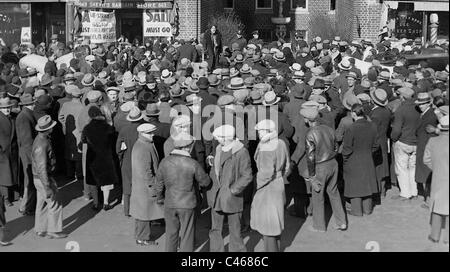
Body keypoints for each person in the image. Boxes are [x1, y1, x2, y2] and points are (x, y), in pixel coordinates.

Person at [155, 132, 211, 252]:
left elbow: (159, 184)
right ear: (188, 147)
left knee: (171, 234)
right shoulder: (192, 163)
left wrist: (160, 198)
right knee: (187, 234)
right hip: (187, 204)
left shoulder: (164, 162)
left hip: (169, 202)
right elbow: (205, 182)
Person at [207, 125, 252, 252]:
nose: (217, 140)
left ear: (226, 138)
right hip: (216, 195)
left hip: (232, 197)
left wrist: (233, 190)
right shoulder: (218, 148)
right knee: (215, 230)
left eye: (219, 138)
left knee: (235, 230)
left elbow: (247, 175)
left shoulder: (241, 152)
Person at [300, 107, 346, 232]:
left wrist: (312, 175)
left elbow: (310, 157)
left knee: (318, 196)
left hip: (319, 167)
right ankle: (341, 222)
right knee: (334, 192)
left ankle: (319, 226)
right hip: (333, 164)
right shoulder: (329, 129)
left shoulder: (310, 133)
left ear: (307, 120)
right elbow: (336, 147)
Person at [251, 119, 290, 251]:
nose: (258, 134)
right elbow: (287, 166)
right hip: (278, 183)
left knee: (268, 225)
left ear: (267, 132)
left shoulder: (266, 148)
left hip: (267, 187)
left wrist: (257, 185)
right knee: (275, 222)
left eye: (260, 131)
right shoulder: (281, 143)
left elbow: (266, 173)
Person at [32, 115, 67, 239]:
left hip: (38, 178)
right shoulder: (43, 144)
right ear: (48, 129)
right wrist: (47, 186)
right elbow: (42, 168)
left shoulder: (40, 139)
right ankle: (53, 230)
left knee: (41, 203)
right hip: (44, 178)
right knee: (54, 203)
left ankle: (40, 229)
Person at [130, 123, 164, 246]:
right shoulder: (144, 147)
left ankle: (140, 236)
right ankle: (143, 238)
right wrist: (154, 187)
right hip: (145, 187)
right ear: (142, 133)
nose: (152, 134)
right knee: (144, 214)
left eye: (152, 132)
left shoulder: (142, 144)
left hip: (140, 186)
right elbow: (147, 172)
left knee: (141, 213)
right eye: (149, 133)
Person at [343, 104, 379, 216]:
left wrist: (345, 158)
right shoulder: (373, 126)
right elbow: (376, 145)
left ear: (353, 113)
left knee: (355, 186)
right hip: (368, 158)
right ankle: (367, 209)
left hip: (353, 159)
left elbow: (347, 148)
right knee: (367, 184)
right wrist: (368, 152)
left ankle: (356, 211)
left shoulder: (351, 128)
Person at [81, 106, 119, 211]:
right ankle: (106, 203)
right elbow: (113, 140)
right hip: (105, 156)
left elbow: (83, 141)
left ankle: (96, 203)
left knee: (93, 181)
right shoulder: (107, 127)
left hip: (92, 157)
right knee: (106, 181)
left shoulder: (87, 128)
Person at [391, 87, 421, 200]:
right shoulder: (418, 108)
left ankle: (405, 193)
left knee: (402, 168)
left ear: (402, 97)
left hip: (403, 142)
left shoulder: (401, 110)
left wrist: (394, 139)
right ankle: (414, 191)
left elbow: (397, 130)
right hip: (416, 142)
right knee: (412, 168)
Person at [423, 115, 449, 244]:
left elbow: (426, 159)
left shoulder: (433, 141)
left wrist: (437, 168)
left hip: (438, 178)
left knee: (437, 207)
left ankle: (435, 236)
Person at [116, 107, 145, 217]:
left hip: (127, 160)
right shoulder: (143, 129)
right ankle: (140, 209)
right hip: (141, 159)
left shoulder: (124, 130)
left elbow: (118, 148)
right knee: (141, 185)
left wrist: (121, 157)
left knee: (127, 186)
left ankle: (127, 210)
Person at [414, 92, 438, 208]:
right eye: (420, 104)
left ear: (428, 103)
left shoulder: (431, 116)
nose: (420, 106)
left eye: (423, 104)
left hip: (426, 148)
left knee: (428, 175)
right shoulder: (426, 114)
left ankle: (429, 201)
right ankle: (428, 198)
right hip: (424, 146)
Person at [16, 93, 37, 215]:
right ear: (30, 104)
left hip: (27, 152)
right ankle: (26, 207)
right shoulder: (24, 117)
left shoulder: (25, 114)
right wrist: (33, 157)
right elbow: (27, 141)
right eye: (33, 103)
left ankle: (26, 206)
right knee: (29, 180)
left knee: (29, 180)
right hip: (28, 154)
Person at [58, 85, 84, 183]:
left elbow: (60, 117)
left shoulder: (66, 105)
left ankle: (69, 173)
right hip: (79, 132)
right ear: (80, 96)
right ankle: (79, 174)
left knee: (68, 151)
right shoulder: (82, 107)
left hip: (69, 131)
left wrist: (65, 124)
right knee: (78, 153)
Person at [369, 89, 392, 199]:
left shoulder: (374, 114)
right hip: (384, 140)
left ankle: (376, 191)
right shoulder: (387, 111)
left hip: (375, 141)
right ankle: (383, 191)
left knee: (376, 167)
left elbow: (372, 130)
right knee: (383, 166)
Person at [0, 97, 17, 207]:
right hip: (2, 152)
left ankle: (13, 195)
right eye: (4, 108)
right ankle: (5, 198)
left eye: (8, 107)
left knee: (13, 173)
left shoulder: (13, 117)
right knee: (4, 176)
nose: (7, 110)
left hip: (13, 150)